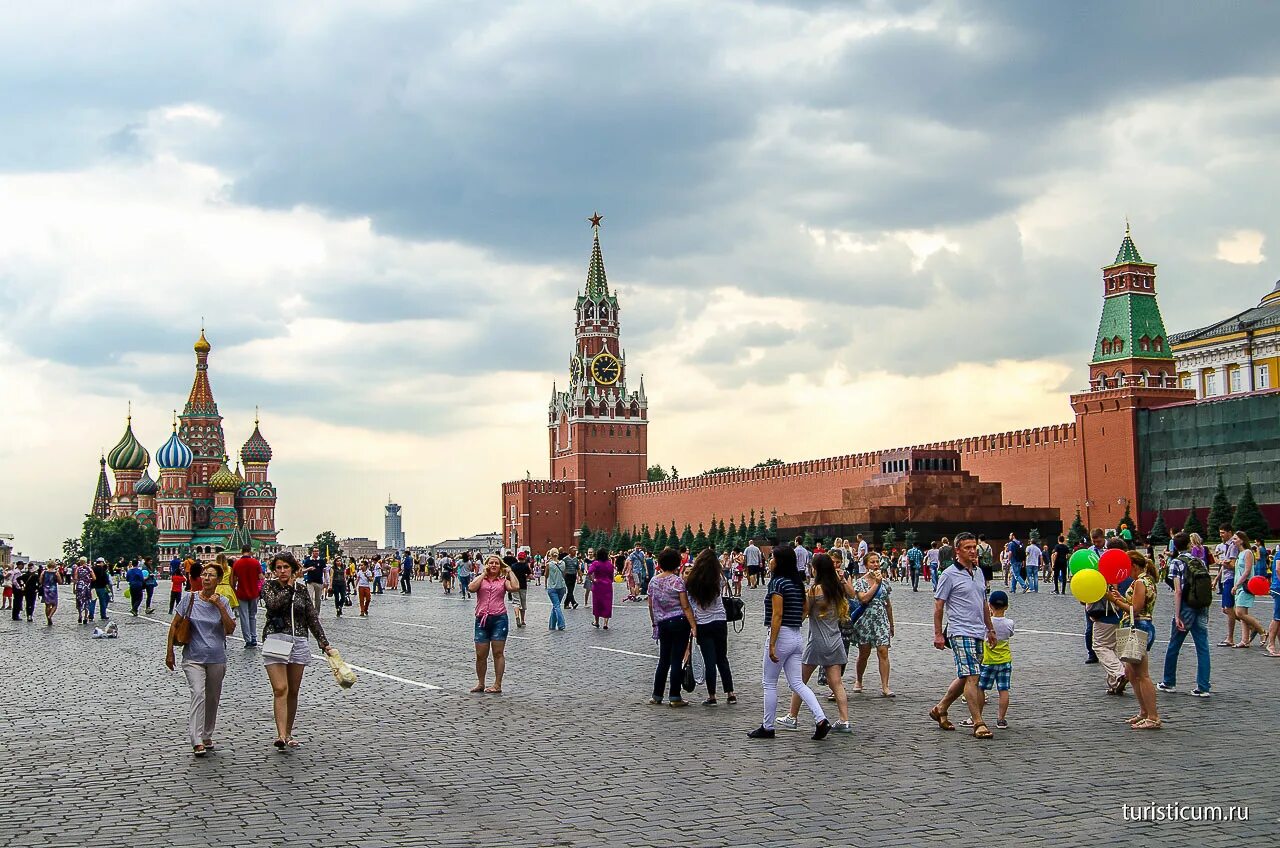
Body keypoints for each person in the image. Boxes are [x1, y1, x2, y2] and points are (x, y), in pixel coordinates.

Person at [747, 545, 831, 740]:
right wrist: (795, 621)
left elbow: (777, 615)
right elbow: (805, 610)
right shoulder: (796, 583)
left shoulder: (777, 584)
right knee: (798, 683)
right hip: (796, 636)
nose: (769, 561)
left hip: (782, 634)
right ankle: (821, 719)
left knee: (769, 683)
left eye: (772, 558)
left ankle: (767, 726)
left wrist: (772, 643)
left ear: (779, 561)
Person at [260, 553, 337, 750]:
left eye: (286, 567)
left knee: (293, 690)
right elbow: (274, 604)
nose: (282, 571)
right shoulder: (270, 587)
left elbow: (311, 617)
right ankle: (280, 735)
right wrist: (288, 587)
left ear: (293, 569)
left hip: (299, 641)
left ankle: (288, 731)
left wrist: (324, 643)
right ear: (274, 570)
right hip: (276, 639)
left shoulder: (302, 590)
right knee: (280, 688)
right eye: (279, 568)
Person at [929, 532, 997, 739]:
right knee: (973, 677)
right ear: (957, 551)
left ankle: (940, 708)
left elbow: (983, 603)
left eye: (974, 547)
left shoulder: (978, 572)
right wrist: (938, 634)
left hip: (978, 631)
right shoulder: (948, 574)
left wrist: (990, 628)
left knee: (966, 675)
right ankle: (978, 722)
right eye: (967, 548)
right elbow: (939, 605)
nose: (972, 551)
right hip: (960, 631)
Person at [165, 561, 237, 756]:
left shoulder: (224, 601)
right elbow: (175, 624)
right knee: (198, 693)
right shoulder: (189, 598)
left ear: (219, 580)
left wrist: (219, 606)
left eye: (211, 575)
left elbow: (230, 629)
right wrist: (169, 652)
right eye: (204, 574)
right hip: (193, 657)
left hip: (216, 657)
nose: (206, 578)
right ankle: (196, 739)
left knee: (212, 698)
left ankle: (207, 734)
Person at [778, 552, 854, 732]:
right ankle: (844, 720)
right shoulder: (837, 588)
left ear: (816, 569)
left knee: (799, 681)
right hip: (835, 640)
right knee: (836, 683)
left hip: (817, 641)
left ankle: (792, 716)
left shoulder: (814, 590)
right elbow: (854, 594)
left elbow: (804, 613)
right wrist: (842, 579)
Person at [1108, 550, 1160, 729]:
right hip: (1139, 625)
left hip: (1138, 626)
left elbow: (1135, 609)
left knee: (1142, 675)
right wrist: (1120, 598)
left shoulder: (1139, 582)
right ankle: (1144, 712)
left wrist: (1115, 602)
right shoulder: (1147, 580)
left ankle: (1153, 716)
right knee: (1131, 673)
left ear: (1134, 566)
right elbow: (1133, 604)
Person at [1157, 532, 1211, 697]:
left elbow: (1178, 591)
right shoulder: (1199, 561)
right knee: (1202, 646)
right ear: (1189, 544)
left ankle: (1169, 682)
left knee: (1174, 644)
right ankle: (1203, 686)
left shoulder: (1176, 562)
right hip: (1201, 605)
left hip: (1187, 606)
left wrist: (1177, 614)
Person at [647, 547, 698, 707]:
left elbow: (651, 605)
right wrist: (693, 625)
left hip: (662, 623)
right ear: (677, 563)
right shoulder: (677, 581)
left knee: (663, 660)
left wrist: (654, 622)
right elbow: (685, 606)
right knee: (676, 659)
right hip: (679, 622)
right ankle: (675, 696)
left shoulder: (653, 581)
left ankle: (656, 695)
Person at [685, 549, 735, 705]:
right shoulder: (718, 578)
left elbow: (690, 603)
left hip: (703, 622)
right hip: (720, 620)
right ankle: (730, 693)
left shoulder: (693, 580)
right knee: (722, 659)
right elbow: (724, 586)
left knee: (709, 661)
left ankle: (712, 696)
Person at [469, 554, 520, 693]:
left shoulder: (503, 581)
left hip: (499, 619)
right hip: (482, 620)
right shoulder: (481, 580)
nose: (494, 565)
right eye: (491, 563)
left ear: (500, 566)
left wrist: (509, 571)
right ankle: (481, 683)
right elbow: (471, 588)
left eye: (497, 563)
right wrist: (482, 574)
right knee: (480, 654)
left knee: (498, 653)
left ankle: (497, 684)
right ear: (486, 565)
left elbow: (515, 586)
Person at [851, 551, 895, 698]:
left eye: (877, 562)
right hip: (865, 620)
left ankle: (885, 686)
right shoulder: (860, 582)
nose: (876, 565)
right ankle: (859, 680)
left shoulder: (885, 582)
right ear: (866, 565)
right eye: (872, 562)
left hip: (881, 619)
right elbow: (863, 599)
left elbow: (888, 604)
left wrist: (891, 623)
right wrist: (876, 584)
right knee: (864, 653)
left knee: (883, 651)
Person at [971, 590, 1015, 730]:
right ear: (1006, 606)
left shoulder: (987, 625)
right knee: (1003, 689)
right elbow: (1010, 634)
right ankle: (1001, 719)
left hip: (988, 661)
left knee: (981, 688)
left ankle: (978, 717)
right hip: (1005, 661)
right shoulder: (1009, 623)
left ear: (989, 606)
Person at [1230, 530, 1267, 648]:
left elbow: (1247, 572)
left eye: (1235, 539)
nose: (1233, 541)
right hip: (1239, 586)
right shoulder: (1239, 554)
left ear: (1242, 540)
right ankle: (1244, 640)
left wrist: (1237, 585)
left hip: (1246, 586)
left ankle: (1262, 631)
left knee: (1239, 612)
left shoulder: (1248, 553)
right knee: (1242, 614)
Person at [229, 544, 263, 648]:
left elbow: (233, 580)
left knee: (244, 616)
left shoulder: (237, 564)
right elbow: (261, 578)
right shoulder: (256, 563)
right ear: (250, 551)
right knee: (252, 615)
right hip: (254, 592)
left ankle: (247, 640)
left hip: (241, 592)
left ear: (241, 551)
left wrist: (234, 590)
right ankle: (254, 637)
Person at [1212, 524, 1240, 646]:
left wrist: (1220, 561)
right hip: (1225, 578)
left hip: (1231, 579)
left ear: (1229, 532)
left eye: (1223, 532)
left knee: (1229, 608)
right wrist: (1217, 579)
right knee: (1225, 609)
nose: (1221, 535)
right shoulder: (1224, 546)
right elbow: (1224, 567)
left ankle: (1230, 637)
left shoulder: (1232, 546)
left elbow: (1233, 565)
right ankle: (1251, 626)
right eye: (1220, 532)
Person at [588, 548, 615, 629]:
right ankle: (605, 623)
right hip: (607, 586)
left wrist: (593, 580)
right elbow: (612, 575)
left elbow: (589, 572)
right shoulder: (609, 564)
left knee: (597, 603)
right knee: (607, 603)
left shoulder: (596, 563)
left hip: (597, 585)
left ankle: (596, 621)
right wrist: (610, 581)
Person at [544, 548, 567, 631]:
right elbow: (564, 574)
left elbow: (546, 575)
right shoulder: (563, 563)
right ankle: (552, 625)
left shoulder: (549, 564)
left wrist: (545, 584)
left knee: (556, 606)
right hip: (561, 587)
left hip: (552, 587)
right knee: (556, 605)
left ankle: (561, 624)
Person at [509, 551, 531, 627]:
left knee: (516, 602)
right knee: (523, 603)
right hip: (523, 586)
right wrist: (526, 578)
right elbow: (530, 575)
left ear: (518, 558)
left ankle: (517, 617)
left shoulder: (513, 566)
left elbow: (509, 576)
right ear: (524, 558)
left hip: (514, 586)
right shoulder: (525, 566)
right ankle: (522, 620)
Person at [73, 558, 94, 624]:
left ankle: (80, 615)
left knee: (79, 601)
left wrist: (74, 587)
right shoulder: (89, 568)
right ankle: (85, 617)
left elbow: (75, 578)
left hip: (79, 586)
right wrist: (88, 579)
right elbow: (94, 578)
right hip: (87, 586)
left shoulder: (78, 568)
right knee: (87, 601)